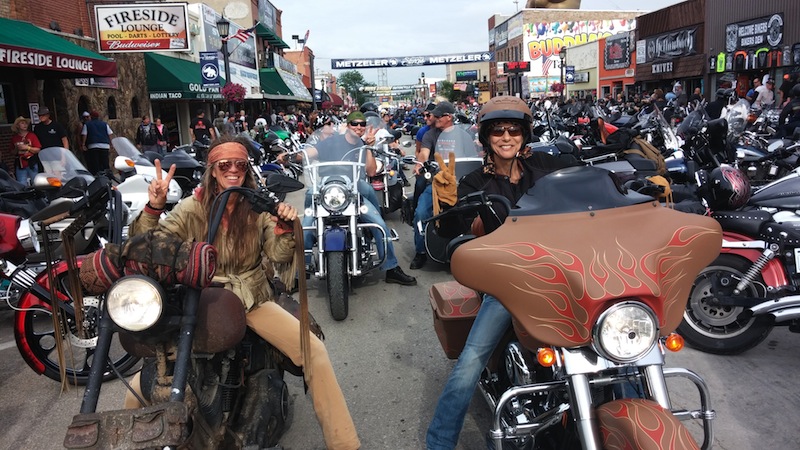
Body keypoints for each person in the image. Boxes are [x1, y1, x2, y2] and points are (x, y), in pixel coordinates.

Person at [127, 135, 360, 450]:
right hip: (201, 298)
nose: (232, 169)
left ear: (247, 168)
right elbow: (148, 247)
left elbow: (278, 255)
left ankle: (344, 443)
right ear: (212, 170)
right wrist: (154, 207)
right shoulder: (191, 207)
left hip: (251, 300)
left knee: (313, 352)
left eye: (240, 163)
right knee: (141, 384)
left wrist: (283, 226)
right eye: (225, 164)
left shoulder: (257, 207)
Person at [426, 96, 580, 450]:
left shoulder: (546, 166)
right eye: (498, 130)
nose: (506, 137)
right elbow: (454, 228)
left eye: (513, 129)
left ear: (525, 134)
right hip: (509, 281)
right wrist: (450, 203)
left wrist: (635, 183)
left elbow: (588, 186)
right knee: (469, 363)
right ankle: (438, 442)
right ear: (486, 136)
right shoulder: (474, 182)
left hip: (563, 271)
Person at [296, 111, 417, 286]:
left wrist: (368, 147)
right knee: (306, 224)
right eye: (355, 124)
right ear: (348, 124)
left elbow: (371, 172)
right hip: (327, 187)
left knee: (379, 224)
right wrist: (290, 156)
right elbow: (309, 153)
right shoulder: (331, 142)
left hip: (352, 189)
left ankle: (391, 268)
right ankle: (301, 273)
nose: (359, 127)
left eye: (362, 124)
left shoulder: (364, 144)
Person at [410, 101, 480, 270]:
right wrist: (420, 163)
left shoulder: (464, 135)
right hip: (438, 181)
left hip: (461, 181)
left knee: (480, 208)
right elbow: (424, 153)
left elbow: (473, 156)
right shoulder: (430, 134)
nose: (434, 118)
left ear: (448, 117)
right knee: (421, 212)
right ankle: (420, 252)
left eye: (437, 116)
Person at [9, 116, 42, 184]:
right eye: (22, 123)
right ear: (18, 126)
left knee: (36, 183)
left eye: (26, 123)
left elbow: (38, 149)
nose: (25, 125)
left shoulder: (32, 135)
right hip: (20, 164)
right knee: (21, 184)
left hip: (31, 163)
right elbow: (12, 152)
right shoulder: (15, 138)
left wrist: (27, 148)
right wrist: (16, 149)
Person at [80, 110, 114, 175]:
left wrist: (83, 144)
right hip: (105, 145)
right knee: (105, 162)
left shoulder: (87, 124)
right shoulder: (104, 124)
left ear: (91, 117)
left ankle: (98, 176)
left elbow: (84, 134)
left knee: (95, 163)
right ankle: (107, 175)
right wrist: (111, 144)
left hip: (93, 145)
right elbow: (110, 134)